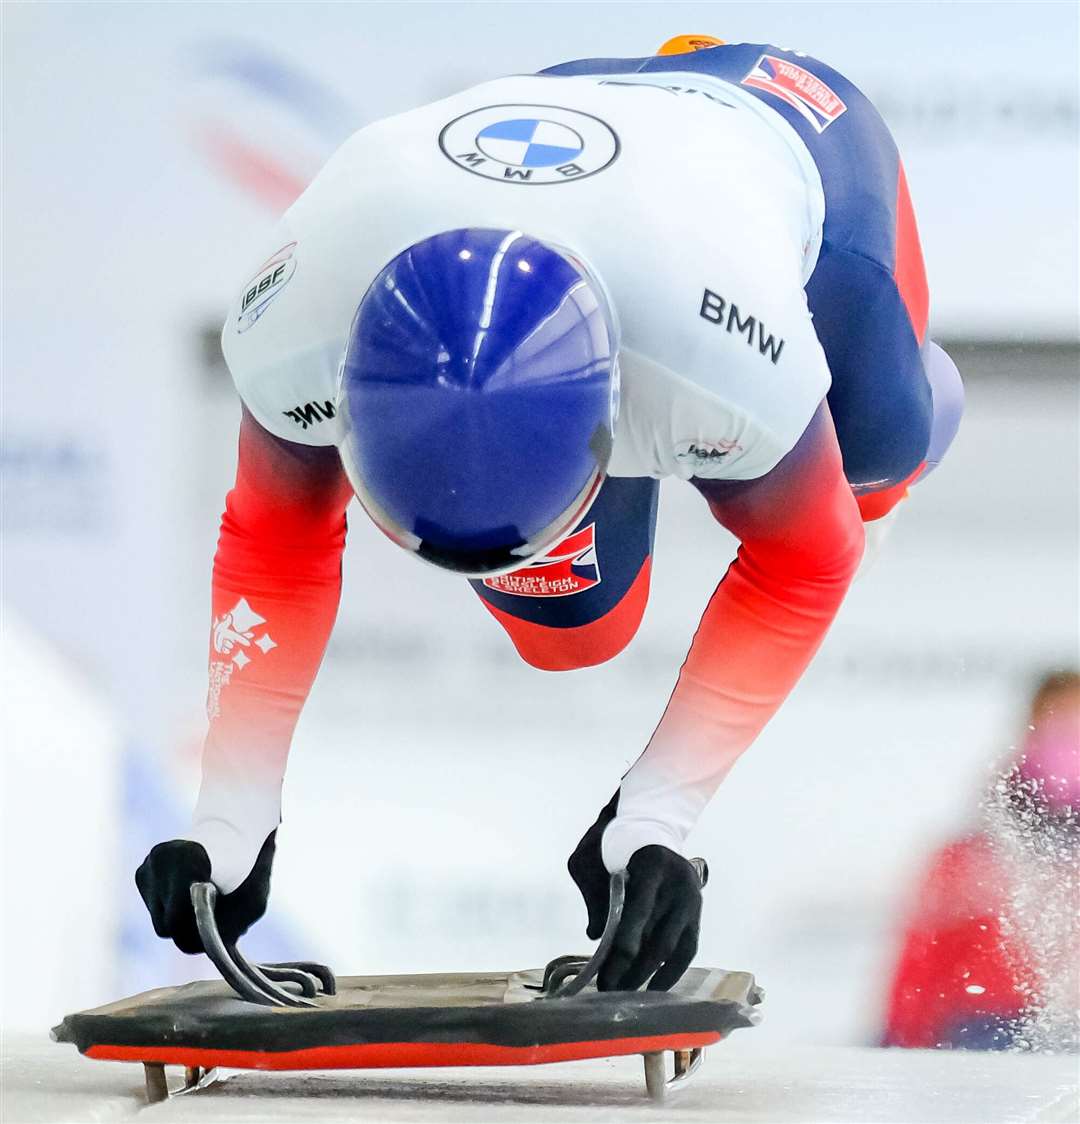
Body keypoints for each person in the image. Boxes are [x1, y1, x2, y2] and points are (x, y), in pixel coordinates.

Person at [137, 34, 964, 992]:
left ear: (617, 424)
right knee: (575, 631)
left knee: (880, 460)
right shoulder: (290, 323)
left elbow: (806, 564)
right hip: (574, 145)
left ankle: (908, 422)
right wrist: (230, 819)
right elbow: (275, 544)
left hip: (794, 140)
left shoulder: (723, 367)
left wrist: (656, 816)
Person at [882, 671, 1080, 1050]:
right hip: (988, 1027)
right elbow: (924, 953)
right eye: (1063, 723)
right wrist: (903, 1040)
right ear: (1032, 731)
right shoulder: (972, 854)